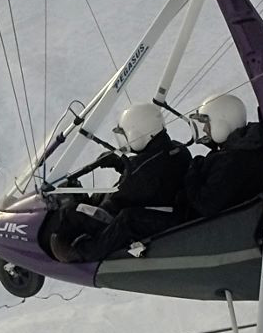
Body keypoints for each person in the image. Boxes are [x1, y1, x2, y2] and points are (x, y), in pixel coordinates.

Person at [48, 102, 190, 261]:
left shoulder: (141, 168)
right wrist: (120, 164)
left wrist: (87, 207)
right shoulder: (177, 149)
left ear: (139, 133)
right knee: (103, 201)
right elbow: (151, 174)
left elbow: (117, 200)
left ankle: (87, 252)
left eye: (126, 135)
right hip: (166, 209)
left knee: (72, 212)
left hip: (151, 217)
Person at [180, 93, 263, 219]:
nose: (205, 129)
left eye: (207, 123)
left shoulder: (233, 160)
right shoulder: (249, 146)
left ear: (222, 122)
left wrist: (192, 171)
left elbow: (205, 205)